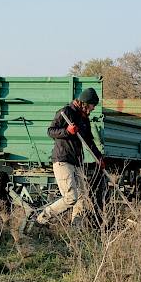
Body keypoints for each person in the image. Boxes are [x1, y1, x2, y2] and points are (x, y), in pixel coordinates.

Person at [34, 87, 105, 228]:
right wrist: (67, 131)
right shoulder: (65, 112)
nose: (93, 109)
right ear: (85, 103)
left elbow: (89, 142)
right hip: (63, 160)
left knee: (82, 198)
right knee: (71, 198)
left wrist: (99, 158)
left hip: (77, 162)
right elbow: (51, 131)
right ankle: (41, 219)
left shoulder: (84, 119)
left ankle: (75, 230)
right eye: (92, 105)